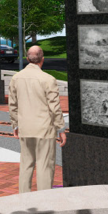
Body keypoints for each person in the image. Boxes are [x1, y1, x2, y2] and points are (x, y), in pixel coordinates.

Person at [8, 45, 66, 193]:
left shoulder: (16, 78)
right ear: (42, 59)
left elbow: (12, 104)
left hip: (25, 128)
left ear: (27, 59)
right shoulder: (48, 79)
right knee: (45, 165)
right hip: (44, 129)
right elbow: (54, 107)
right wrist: (61, 128)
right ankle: (43, 202)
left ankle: (24, 199)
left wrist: (15, 125)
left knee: (26, 164)